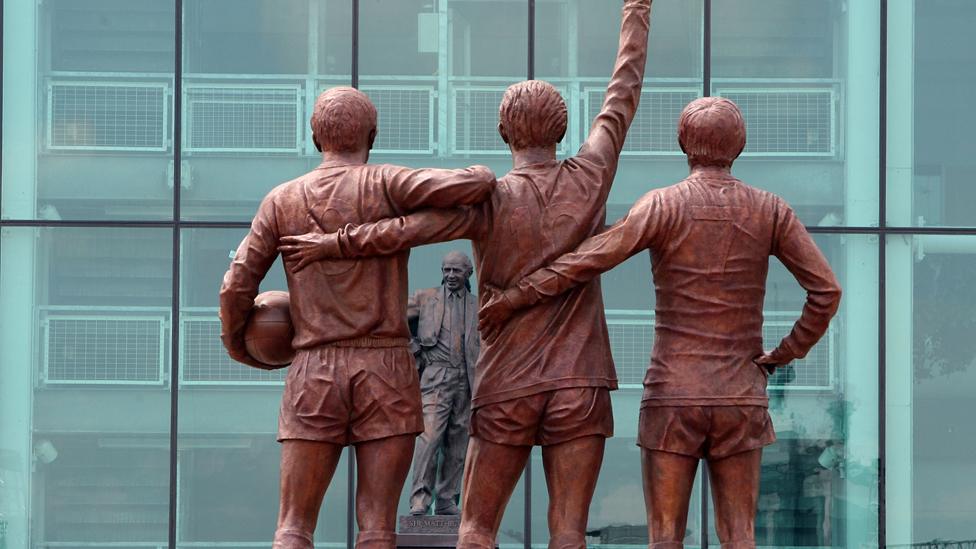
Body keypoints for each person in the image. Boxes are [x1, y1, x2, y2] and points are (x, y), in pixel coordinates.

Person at [277, 2, 652, 547]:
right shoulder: (591, 175)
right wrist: (636, 11)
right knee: (569, 533)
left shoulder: (490, 201)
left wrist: (330, 242)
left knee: (475, 531)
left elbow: (404, 231)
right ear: (565, 127)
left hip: (505, 386)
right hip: (582, 381)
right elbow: (624, 90)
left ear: (502, 132)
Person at [479, 97, 843, 549]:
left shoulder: (662, 205)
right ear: (740, 146)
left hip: (673, 395)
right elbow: (827, 292)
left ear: (682, 144)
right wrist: (785, 353)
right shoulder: (769, 210)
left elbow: (588, 260)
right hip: (740, 394)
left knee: (665, 539)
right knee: (739, 538)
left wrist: (516, 296)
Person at [218, 87, 495, 549]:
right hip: (385, 368)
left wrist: (238, 346)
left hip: (313, 367)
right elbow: (474, 186)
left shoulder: (281, 199)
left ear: (314, 136)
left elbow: (236, 285)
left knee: (292, 526)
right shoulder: (386, 182)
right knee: (377, 528)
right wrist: (483, 172)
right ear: (372, 135)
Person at [404, 251, 480, 516]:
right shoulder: (425, 299)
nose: (450, 275)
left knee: (458, 443)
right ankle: (420, 498)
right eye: (446, 270)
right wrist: (414, 350)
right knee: (430, 437)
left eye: (456, 271)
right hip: (436, 376)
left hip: (466, 379)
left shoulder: (477, 305)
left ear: (468, 273)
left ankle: (447, 499)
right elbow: (394, 320)